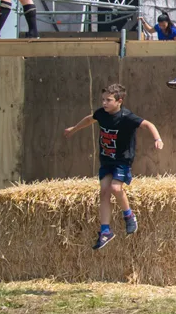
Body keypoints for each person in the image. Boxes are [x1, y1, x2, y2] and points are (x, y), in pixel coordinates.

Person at [63, 83, 163, 250]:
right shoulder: (101, 114)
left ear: (119, 101)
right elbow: (90, 119)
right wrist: (74, 129)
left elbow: (148, 124)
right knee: (104, 191)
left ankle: (129, 216)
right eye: (103, 100)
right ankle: (105, 231)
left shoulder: (126, 117)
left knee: (116, 188)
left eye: (108, 100)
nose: (104, 103)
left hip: (122, 161)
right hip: (106, 160)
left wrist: (157, 138)